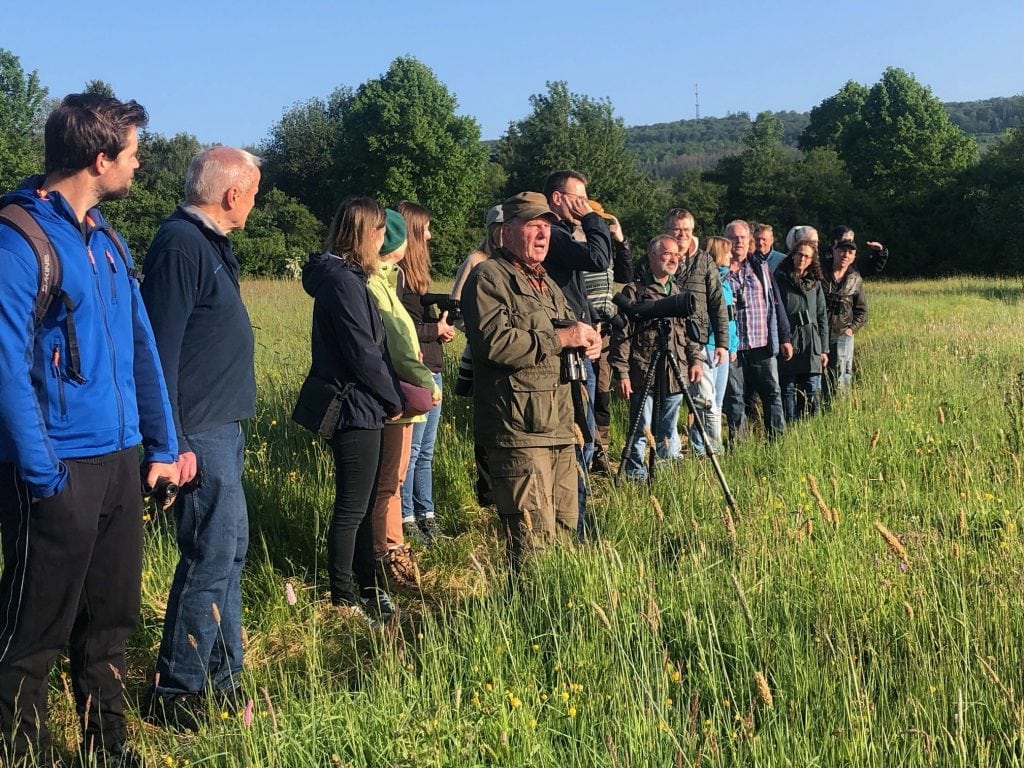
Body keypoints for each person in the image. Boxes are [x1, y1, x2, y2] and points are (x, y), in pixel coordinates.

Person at [0, 93, 179, 767]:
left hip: (119, 460)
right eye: (133, 153)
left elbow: (140, 346)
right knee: (33, 632)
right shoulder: (19, 240)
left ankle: (110, 750)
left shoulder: (105, 237)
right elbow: (6, 368)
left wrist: (160, 443)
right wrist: (43, 473)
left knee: (109, 623)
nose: (140, 163)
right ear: (100, 158)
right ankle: (23, 755)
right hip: (56, 469)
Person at [140, 146, 260, 731]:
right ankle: (179, 693)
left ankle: (224, 677)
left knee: (230, 554)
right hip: (199, 433)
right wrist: (170, 439)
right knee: (209, 555)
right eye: (254, 191)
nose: (255, 202)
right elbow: (158, 347)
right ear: (233, 193)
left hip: (221, 428)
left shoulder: (210, 243)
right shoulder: (181, 244)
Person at [461, 192, 601, 565]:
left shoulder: (546, 282)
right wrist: (562, 338)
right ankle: (529, 615)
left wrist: (587, 338)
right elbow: (494, 343)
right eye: (533, 226)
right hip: (519, 430)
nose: (543, 235)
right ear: (506, 231)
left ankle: (561, 611)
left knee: (567, 529)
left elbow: (567, 327)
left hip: (558, 423)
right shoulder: (489, 277)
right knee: (531, 541)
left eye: (547, 227)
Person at [292, 196, 404, 624]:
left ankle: (370, 586)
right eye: (378, 231)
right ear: (363, 234)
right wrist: (392, 398)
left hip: (364, 405)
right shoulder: (343, 282)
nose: (383, 239)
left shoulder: (347, 277)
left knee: (363, 501)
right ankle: (343, 595)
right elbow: (363, 352)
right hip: (354, 407)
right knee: (353, 506)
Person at [366, 209, 439, 585]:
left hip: (402, 397)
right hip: (396, 398)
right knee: (389, 481)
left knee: (394, 477)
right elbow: (399, 345)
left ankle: (391, 547)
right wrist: (428, 383)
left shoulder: (387, 281)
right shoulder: (377, 285)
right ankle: (387, 553)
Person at [542, 171, 612, 531]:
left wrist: (593, 327)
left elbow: (579, 292)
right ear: (558, 198)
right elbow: (600, 259)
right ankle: (576, 522)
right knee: (578, 439)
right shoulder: (553, 236)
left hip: (581, 344)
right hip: (563, 351)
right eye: (578, 198)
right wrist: (593, 218)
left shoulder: (563, 236)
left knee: (584, 437)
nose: (584, 205)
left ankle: (577, 517)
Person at [610, 235, 703, 480]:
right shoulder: (635, 291)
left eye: (677, 255)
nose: (674, 259)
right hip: (643, 372)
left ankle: (663, 476)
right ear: (651, 256)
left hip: (674, 372)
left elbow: (689, 333)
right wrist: (621, 373)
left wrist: (695, 360)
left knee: (668, 430)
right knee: (641, 429)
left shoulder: (678, 292)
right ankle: (636, 476)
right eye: (667, 254)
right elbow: (622, 337)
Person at [395, 201, 453, 546]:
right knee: (413, 452)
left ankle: (426, 514)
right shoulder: (398, 276)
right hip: (418, 374)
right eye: (426, 229)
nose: (430, 236)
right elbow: (400, 329)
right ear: (413, 232)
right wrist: (436, 330)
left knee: (426, 451)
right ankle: (406, 519)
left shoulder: (416, 278)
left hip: (432, 370)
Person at [663, 209, 729, 453]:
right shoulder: (658, 256)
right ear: (667, 230)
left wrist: (722, 342)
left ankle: (710, 453)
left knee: (706, 401)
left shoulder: (704, 261)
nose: (682, 235)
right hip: (666, 341)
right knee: (670, 403)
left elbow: (717, 303)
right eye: (676, 229)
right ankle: (671, 457)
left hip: (698, 341)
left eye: (687, 230)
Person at [722, 220, 793, 442]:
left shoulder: (760, 268)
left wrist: (784, 337)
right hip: (733, 347)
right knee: (735, 398)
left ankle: (777, 441)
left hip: (761, 342)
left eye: (743, 238)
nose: (739, 242)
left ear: (749, 241)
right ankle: (740, 446)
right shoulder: (718, 271)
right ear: (726, 241)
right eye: (734, 238)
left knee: (772, 393)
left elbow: (776, 303)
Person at [451, 205, 502, 507]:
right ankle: (487, 494)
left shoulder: (512, 263)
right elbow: (455, 308)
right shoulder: (476, 260)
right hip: (482, 355)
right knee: (487, 424)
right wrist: (477, 333)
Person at [581, 200, 634, 476]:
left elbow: (627, 275)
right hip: (585, 329)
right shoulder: (577, 247)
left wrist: (621, 241)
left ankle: (601, 449)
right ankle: (586, 450)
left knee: (602, 393)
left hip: (606, 333)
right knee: (585, 394)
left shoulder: (606, 249)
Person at [690, 236, 738, 456]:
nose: (731, 255)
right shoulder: (709, 280)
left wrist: (732, 345)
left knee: (717, 401)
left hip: (723, 348)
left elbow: (730, 319)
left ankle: (706, 444)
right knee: (707, 402)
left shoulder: (727, 281)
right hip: (708, 347)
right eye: (727, 252)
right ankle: (708, 448)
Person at [774, 239, 829, 421]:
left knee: (812, 388)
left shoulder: (815, 282)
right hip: (789, 340)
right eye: (800, 254)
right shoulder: (780, 278)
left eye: (807, 256)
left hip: (812, 342)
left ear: (812, 259)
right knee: (788, 388)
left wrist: (824, 349)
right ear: (793, 255)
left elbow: (822, 316)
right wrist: (782, 340)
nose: (802, 259)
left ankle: (812, 429)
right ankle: (790, 430)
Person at [821, 240, 868, 404]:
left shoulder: (855, 279)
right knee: (818, 376)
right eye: (842, 250)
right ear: (834, 251)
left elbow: (862, 311)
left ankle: (838, 411)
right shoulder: (820, 273)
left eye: (850, 252)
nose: (845, 255)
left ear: (854, 257)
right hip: (819, 333)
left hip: (842, 334)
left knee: (841, 376)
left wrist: (851, 329)